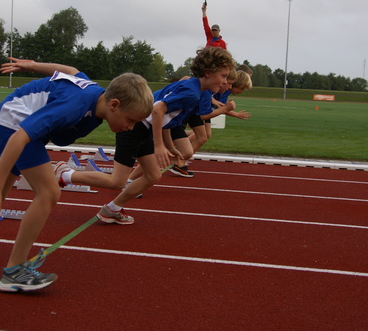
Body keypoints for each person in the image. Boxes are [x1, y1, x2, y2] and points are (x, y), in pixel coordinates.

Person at [0, 59, 153, 293]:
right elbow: (19, 137)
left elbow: (71, 70)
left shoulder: (96, 96)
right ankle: (14, 271)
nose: (130, 128)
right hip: (15, 121)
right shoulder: (75, 105)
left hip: (15, 120)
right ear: (114, 105)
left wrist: (33, 66)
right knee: (48, 193)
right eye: (131, 121)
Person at [53, 46, 235, 224]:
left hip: (144, 128)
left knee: (153, 175)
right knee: (117, 181)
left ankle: (111, 209)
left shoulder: (193, 88)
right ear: (209, 72)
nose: (225, 83)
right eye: (223, 76)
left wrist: (169, 146)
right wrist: (159, 146)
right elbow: (157, 111)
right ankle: (66, 174)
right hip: (134, 126)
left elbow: (165, 118)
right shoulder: (191, 92)